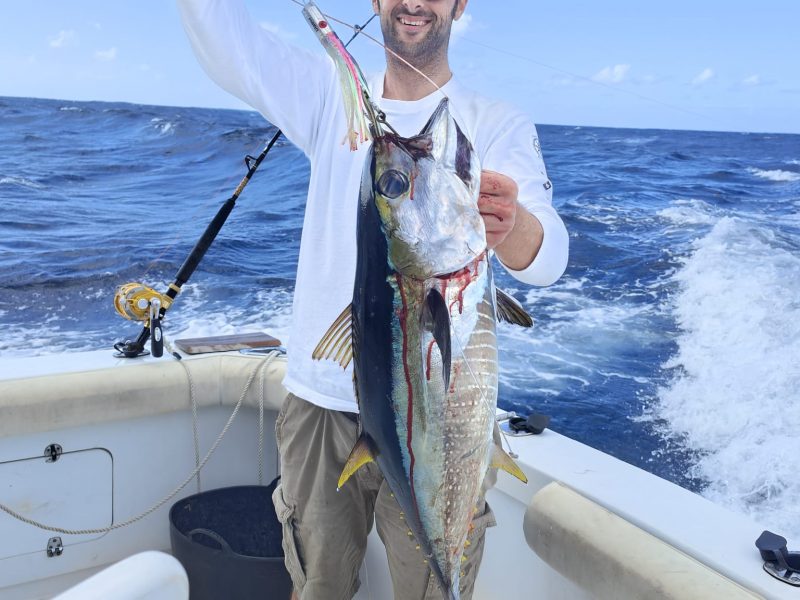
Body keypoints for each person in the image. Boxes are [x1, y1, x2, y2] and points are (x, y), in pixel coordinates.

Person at [177, 0, 569, 598]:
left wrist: (511, 225)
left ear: (460, 4)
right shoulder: (329, 95)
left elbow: (548, 260)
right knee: (319, 586)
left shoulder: (495, 124)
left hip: (443, 412)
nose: (414, 3)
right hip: (320, 405)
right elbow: (221, 37)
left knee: (434, 590)